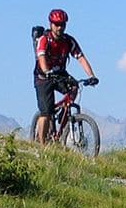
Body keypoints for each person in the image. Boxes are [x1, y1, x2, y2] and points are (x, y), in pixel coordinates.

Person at [33, 8, 99, 143]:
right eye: (56, 24)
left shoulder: (68, 41)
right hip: (43, 77)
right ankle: (41, 145)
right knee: (46, 112)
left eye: (62, 24)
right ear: (50, 24)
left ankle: (64, 113)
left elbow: (80, 58)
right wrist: (46, 71)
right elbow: (41, 57)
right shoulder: (44, 40)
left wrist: (92, 75)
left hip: (60, 74)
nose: (59, 27)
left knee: (75, 87)